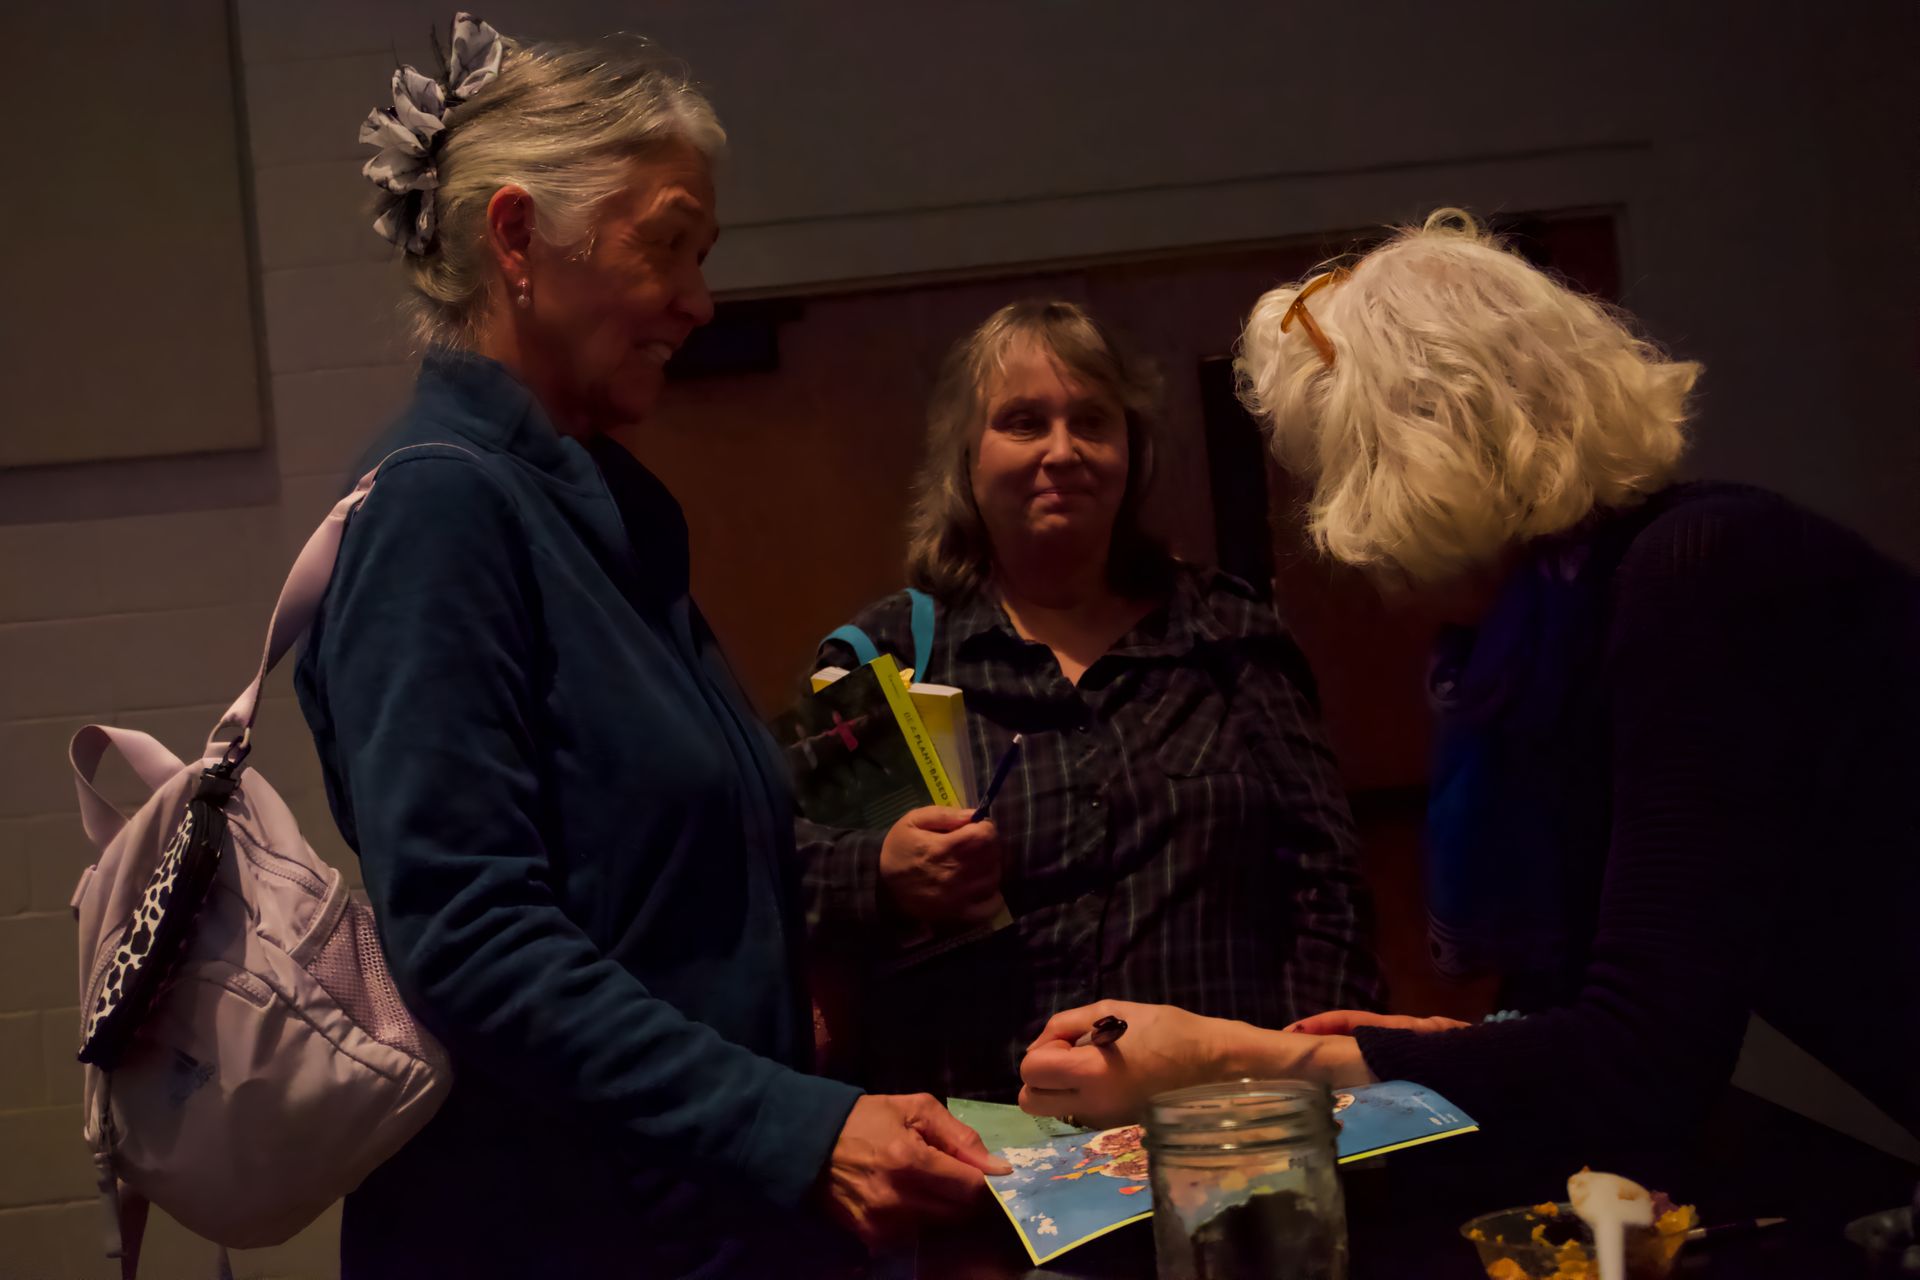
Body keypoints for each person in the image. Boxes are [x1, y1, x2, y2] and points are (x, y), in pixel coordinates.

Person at [296, 17, 1003, 1276]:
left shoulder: (592, 516)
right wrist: (796, 1129)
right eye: (666, 244)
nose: (699, 300)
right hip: (559, 1238)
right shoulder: (438, 508)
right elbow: (469, 934)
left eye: (702, 255)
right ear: (518, 237)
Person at [1018, 211, 1920, 1159]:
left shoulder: (1697, 576)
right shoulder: (1549, 637)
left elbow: (1644, 1064)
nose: (1335, 525)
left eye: (1333, 471)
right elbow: (1571, 1012)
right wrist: (1421, 1049)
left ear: (1420, 463)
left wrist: (1230, 1058)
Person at [801, 299, 1379, 1101]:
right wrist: (880, 870)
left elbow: (1325, 885)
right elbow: (784, 873)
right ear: (966, 454)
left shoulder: (1229, 632)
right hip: (980, 1136)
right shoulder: (885, 655)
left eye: (1093, 422)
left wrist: (1305, 1084)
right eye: (1024, 422)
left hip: (1220, 1121)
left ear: (1131, 450)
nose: (1063, 451)